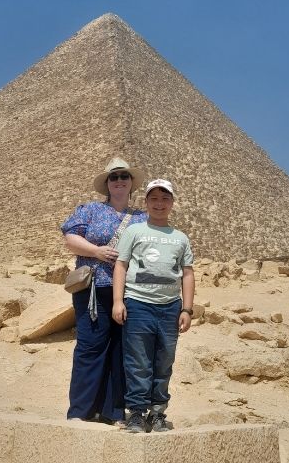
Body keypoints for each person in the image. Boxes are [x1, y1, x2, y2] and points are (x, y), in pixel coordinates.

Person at [61, 157, 148, 424]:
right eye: (114, 177)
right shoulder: (89, 210)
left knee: (122, 351)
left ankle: (113, 411)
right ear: (107, 184)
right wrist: (96, 251)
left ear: (132, 183)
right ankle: (81, 410)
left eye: (124, 176)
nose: (119, 181)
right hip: (94, 290)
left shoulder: (143, 217)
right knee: (90, 347)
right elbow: (70, 238)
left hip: (130, 292)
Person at [112, 179, 195, 433]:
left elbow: (188, 273)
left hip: (170, 307)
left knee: (164, 361)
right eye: (154, 199)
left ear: (172, 203)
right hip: (138, 305)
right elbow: (121, 265)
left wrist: (187, 309)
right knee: (138, 361)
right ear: (145, 202)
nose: (159, 204)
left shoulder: (180, 238)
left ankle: (158, 412)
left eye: (165, 198)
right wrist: (118, 301)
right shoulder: (134, 231)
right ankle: (136, 412)